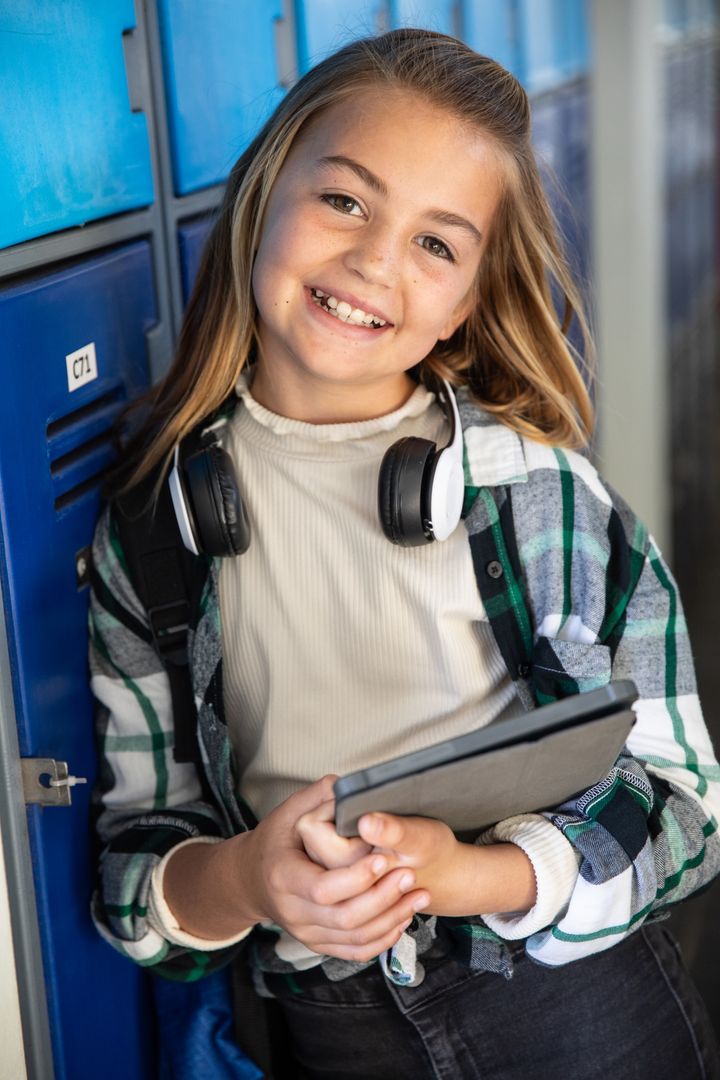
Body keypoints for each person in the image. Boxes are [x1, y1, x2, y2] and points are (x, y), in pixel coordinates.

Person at [89, 28, 720, 1079]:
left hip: (575, 1014)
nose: (373, 261)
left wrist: (474, 875)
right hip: (331, 1034)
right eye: (344, 200)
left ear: (465, 303)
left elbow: (683, 800)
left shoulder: (539, 495)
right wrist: (249, 879)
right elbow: (133, 867)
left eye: (437, 243)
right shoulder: (156, 530)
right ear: (263, 200)